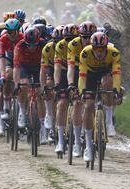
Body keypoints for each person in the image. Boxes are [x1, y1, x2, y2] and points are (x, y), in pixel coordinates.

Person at [78, 32, 122, 161]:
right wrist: (82, 91)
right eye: (95, 48)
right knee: (88, 106)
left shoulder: (113, 53)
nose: (98, 52)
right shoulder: (85, 53)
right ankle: (88, 145)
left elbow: (117, 74)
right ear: (92, 47)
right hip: (90, 74)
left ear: (106, 47)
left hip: (105, 71)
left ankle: (109, 123)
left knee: (108, 83)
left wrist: (116, 90)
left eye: (101, 49)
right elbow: (82, 76)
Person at [13, 26, 47, 144]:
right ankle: (22, 111)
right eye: (29, 45)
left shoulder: (43, 45)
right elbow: (16, 68)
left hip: (39, 67)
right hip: (24, 66)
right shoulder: (19, 46)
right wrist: (16, 85)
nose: (32, 47)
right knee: (24, 84)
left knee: (40, 94)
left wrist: (43, 87)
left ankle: (43, 128)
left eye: (34, 45)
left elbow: (46, 67)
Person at [67, 21, 97, 157]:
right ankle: (77, 143)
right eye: (84, 37)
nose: (87, 40)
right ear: (79, 36)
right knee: (77, 104)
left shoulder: (98, 44)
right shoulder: (73, 45)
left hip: (92, 72)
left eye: (89, 37)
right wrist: (71, 85)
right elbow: (71, 68)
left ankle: (90, 142)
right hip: (78, 71)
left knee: (90, 105)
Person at [53, 23, 78, 153]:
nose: (70, 42)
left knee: (79, 102)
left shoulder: (80, 45)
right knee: (62, 103)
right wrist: (56, 83)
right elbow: (57, 68)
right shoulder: (60, 46)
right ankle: (61, 142)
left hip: (79, 71)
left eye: (72, 39)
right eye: (67, 39)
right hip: (63, 72)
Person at [0, 18, 23, 136]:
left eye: (12, 32)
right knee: (7, 76)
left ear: (17, 31)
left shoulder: (23, 38)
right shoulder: (3, 39)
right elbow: (1, 59)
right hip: (8, 60)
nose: (10, 34)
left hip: (22, 61)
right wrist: (2, 76)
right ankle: (6, 106)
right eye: (8, 31)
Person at [40, 25, 64, 133]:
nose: (58, 44)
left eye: (61, 41)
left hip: (66, 68)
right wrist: (43, 87)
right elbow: (43, 70)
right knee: (49, 85)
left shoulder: (68, 47)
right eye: (56, 41)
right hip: (51, 67)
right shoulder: (48, 48)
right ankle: (49, 113)